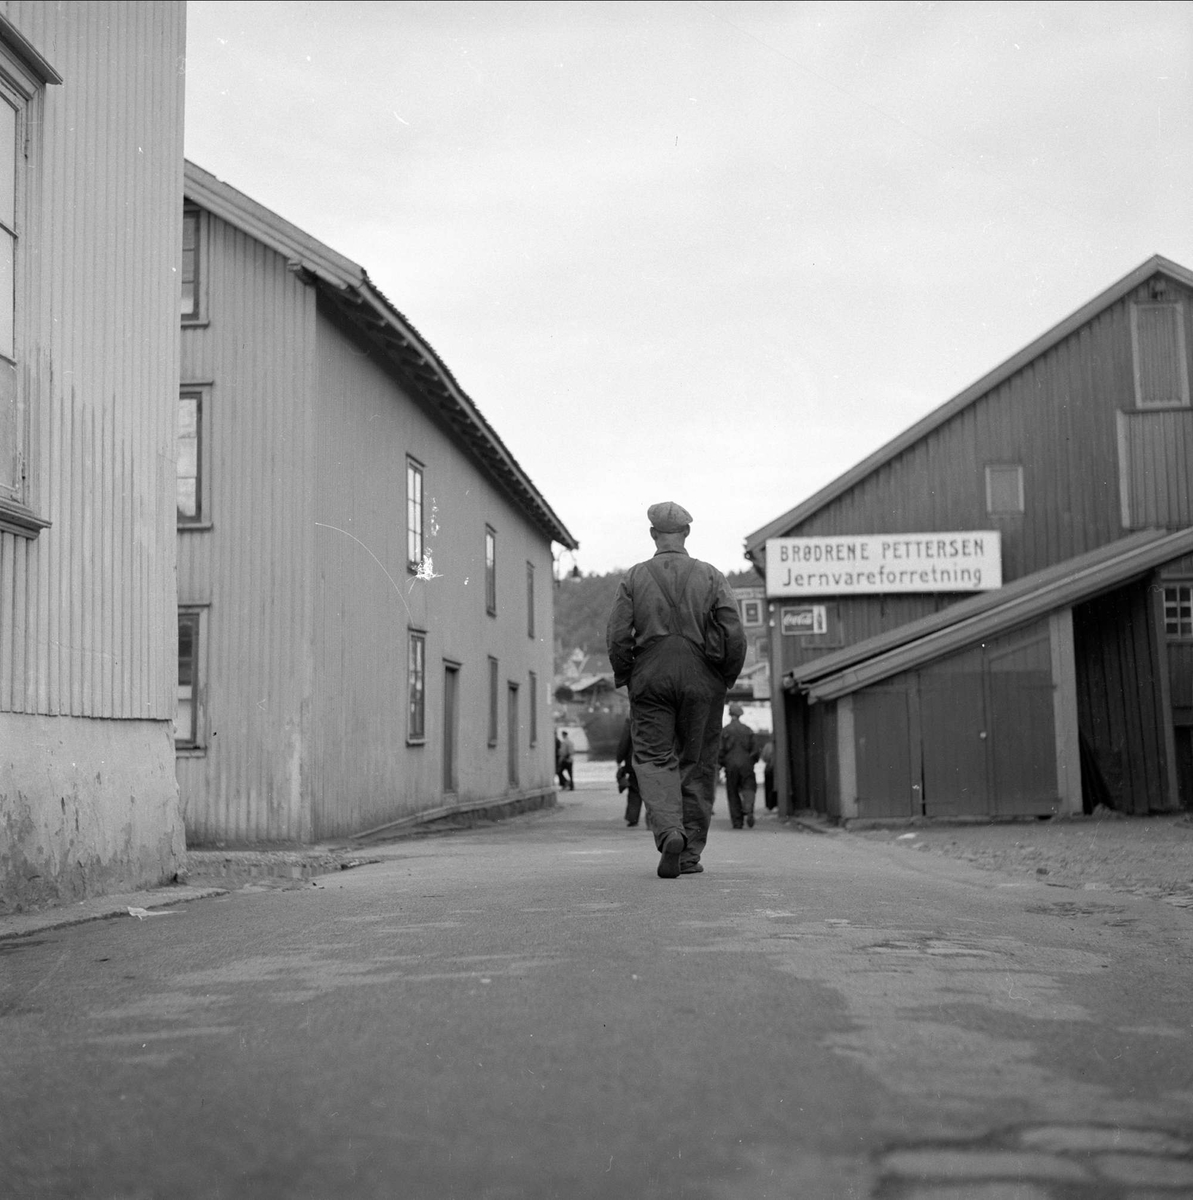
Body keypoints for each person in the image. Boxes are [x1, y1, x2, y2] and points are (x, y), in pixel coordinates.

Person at [606, 502, 746, 878]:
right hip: (703, 677)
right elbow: (734, 632)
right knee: (698, 763)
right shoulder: (712, 576)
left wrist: (629, 676)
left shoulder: (634, 577)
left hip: (651, 674)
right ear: (686, 534)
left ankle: (669, 830)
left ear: (653, 535)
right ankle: (688, 855)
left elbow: (618, 635)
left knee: (653, 758)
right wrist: (725, 677)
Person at [719, 703, 759, 828]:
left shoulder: (725, 730)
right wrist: (752, 761)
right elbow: (756, 750)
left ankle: (737, 821)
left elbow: (720, 750)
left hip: (730, 764)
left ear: (730, 714)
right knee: (749, 786)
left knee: (732, 791)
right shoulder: (748, 730)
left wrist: (722, 763)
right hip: (746, 762)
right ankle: (748, 807)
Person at [615, 715, 643, 827]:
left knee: (634, 791)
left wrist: (619, 758)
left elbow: (624, 741)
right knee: (653, 790)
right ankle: (653, 821)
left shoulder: (632, 719)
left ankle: (632, 818)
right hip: (654, 761)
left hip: (634, 762)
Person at [761, 738, 777, 811]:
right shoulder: (778, 746)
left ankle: (769, 805)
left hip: (769, 768)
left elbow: (764, 757)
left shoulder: (768, 746)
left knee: (768, 787)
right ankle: (775, 804)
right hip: (776, 768)